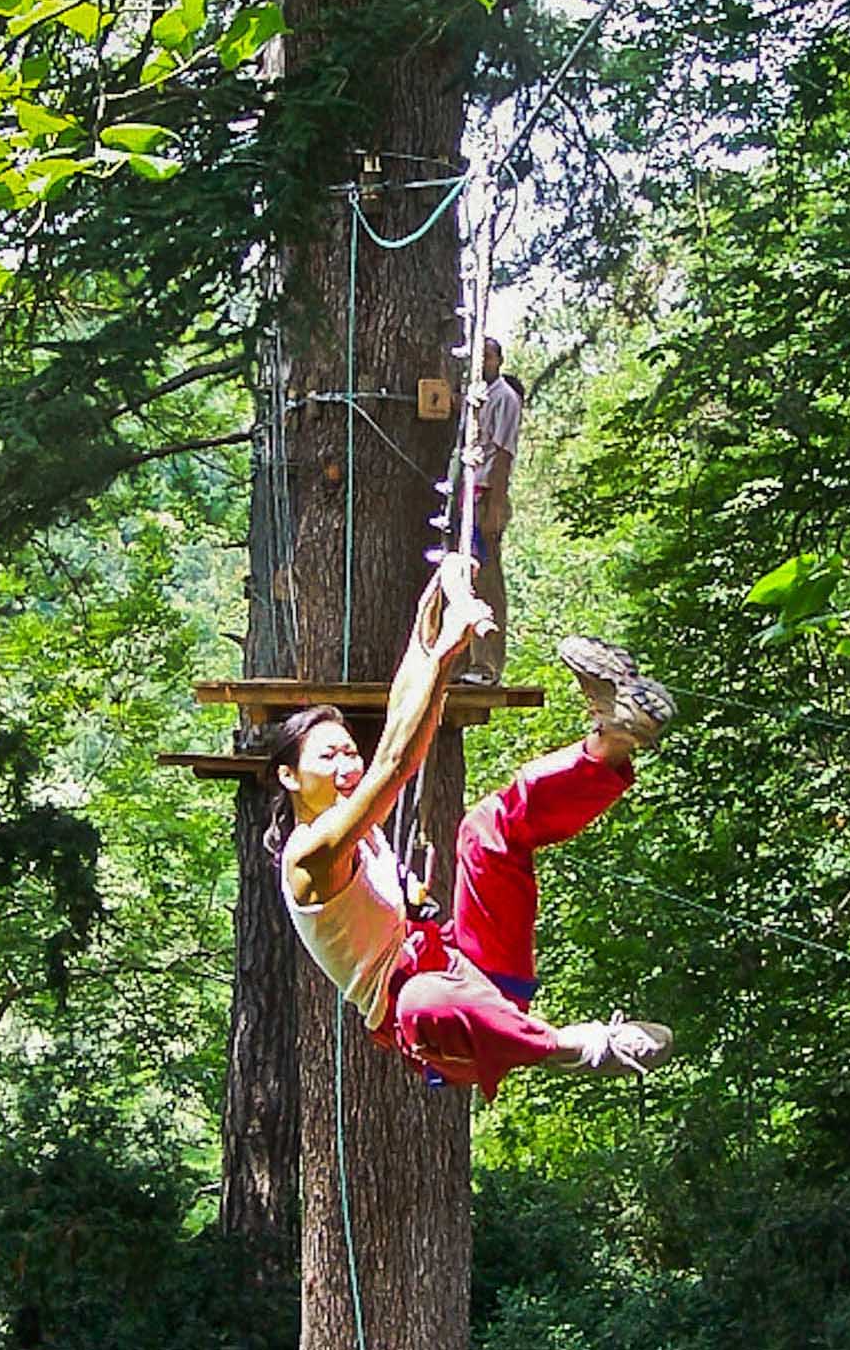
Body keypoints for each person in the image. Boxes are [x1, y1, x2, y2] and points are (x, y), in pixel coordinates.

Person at [268, 557, 676, 1098]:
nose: (348, 765)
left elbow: (399, 711)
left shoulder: (348, 822)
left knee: (485, 830)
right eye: (329, 757)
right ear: (290, 778)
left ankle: (613, 739)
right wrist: (447, 654)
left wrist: (430, 615)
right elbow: (395, 760)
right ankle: (583, 1047)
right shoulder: (309, 858)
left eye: (350, 752)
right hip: (439, 1025)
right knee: (423, 1000)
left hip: (471, 964)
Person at [462, 338, 523, 686]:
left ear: (498, 360)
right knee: (464, 579)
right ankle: (463, 660)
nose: (482, 363)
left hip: (487, 497)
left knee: (487, 581)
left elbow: (503, 454)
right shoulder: (475, 398)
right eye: (478, 357)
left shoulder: (505, 399)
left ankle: (488, 665)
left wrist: (496, 504)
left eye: (487, 356)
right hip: (468, 497)